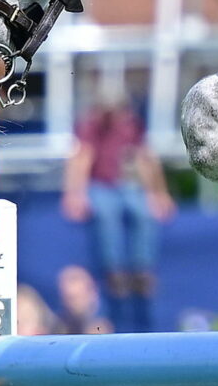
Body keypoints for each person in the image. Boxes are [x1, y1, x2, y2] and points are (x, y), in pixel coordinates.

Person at [62, 80, 173, 335]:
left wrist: (158, 194)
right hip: (100, 184)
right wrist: (74, 194)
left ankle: (142, 268)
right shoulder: (91, 125)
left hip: (125, 185)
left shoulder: (130, 125)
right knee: (105, 212)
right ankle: (114, 270)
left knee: (143, 212)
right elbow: (81, 159)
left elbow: (145, 160)